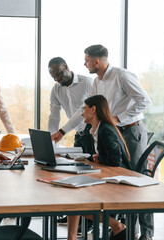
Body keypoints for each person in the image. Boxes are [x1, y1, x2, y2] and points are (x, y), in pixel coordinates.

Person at [52, 44, 153, 240]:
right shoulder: (97, 82)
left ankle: (146, 234)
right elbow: (85, 109)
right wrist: (63, 130)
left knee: (138, 181)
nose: (84, 64)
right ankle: (120, 228)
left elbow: (145, 101)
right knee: (117, 181)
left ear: (96, 61)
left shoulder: (122, 75)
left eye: (87, 60)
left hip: (131, 131)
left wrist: (118, 118)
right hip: (114, 132)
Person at [67, 95, 130, 240]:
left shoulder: (106, 130)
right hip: (109, 176)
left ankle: (116, 225)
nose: (82, 112)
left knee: (75, 199)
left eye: (85, 109)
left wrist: (99, 158)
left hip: (119, 181)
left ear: (93, 109)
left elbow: (115, 160)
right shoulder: (96, 129)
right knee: (73, 195)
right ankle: (72, 237)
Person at [47, 57, 94, 154]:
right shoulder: (56, 90)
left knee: (95, 167)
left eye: (58, 75)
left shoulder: (87, 83)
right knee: (76, 165)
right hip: (78, 135)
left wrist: (62, 131)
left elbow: (83, 111)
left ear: (65, 67)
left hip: (92, 134)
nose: (57, 79)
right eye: (53, 77)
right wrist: (51, 140)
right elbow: (54, 117)